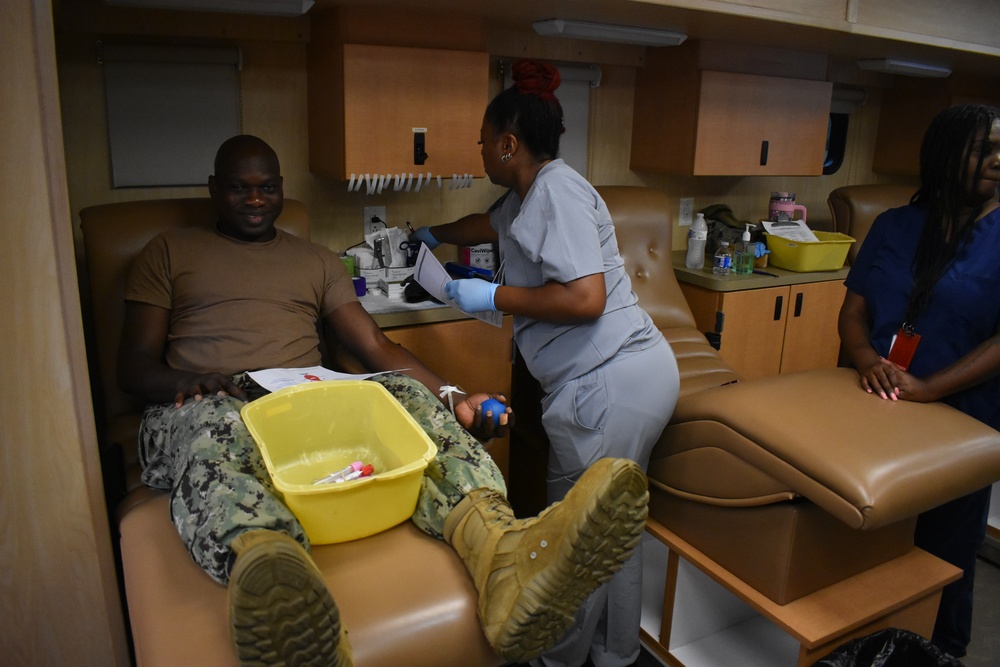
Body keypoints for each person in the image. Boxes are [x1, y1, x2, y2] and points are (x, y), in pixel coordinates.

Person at [117, 134, 652, 667]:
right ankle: (275, 583)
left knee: (396, 391)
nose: (256, 200)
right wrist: (190, 383)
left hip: (301, 398)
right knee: (214, 427)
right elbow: (133, 365)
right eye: (240, 188)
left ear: (282, 190)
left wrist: (455, 397)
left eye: (268, 188)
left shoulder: (316, 261)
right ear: (214, 189)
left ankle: (499, 556)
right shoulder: (170, 251)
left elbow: (375, 346)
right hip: (208, 398)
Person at [410, 60, 680, 667]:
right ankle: (615, 654)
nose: (480, 151)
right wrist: (431, 232)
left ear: (509, 144)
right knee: (612, 531)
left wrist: (494, 297)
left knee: (573, 540)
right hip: (630, 374)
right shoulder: (528, 195)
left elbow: (586, 299)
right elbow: (486, 225)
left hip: (608, 384)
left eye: (484, 142)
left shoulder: (554, 190)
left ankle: (554, 658)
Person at [838, 103, 1000, 659]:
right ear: (944, 155)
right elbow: (854, 311)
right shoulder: (894, 225)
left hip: (961, 416)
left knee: (942, 552)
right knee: (865, 540)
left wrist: (929, 389)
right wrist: (865, 360)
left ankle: (939, 651)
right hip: (874, 402)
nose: (998, 160)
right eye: (985, 149)